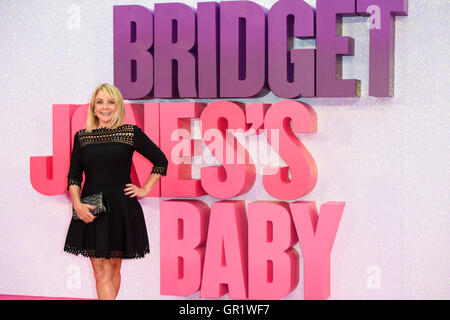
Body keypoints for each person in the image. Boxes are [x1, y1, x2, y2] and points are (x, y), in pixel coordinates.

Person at [64, 83, 168, 300]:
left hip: (122, 206)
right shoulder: (82, 137)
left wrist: (145, 188)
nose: (105, 107)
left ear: (118, 106)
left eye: (110, 102)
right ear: (93, 107)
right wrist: (77, 204)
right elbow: (74, 177)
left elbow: (160, 160)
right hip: (91, 207)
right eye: (100, 102)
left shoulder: (130, 133)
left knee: (113, 267)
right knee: (100, 268)